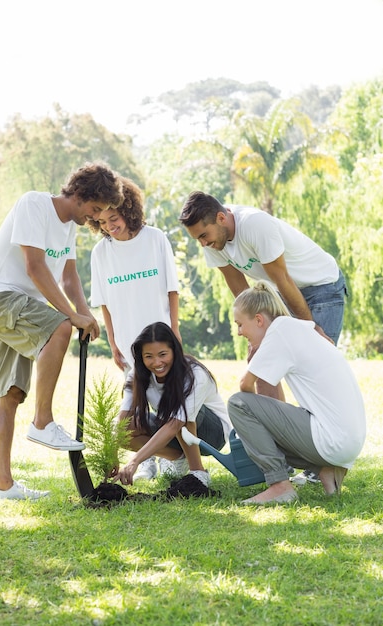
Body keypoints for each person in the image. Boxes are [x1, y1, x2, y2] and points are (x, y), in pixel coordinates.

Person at [0, 161, 123, 500]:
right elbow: (35, 267)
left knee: (10, 392)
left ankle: (2, 485)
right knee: (60, 327)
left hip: (19, 305)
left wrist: (86, 315)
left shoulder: (69, 227)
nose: (96, 219)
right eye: (95, 209)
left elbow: (68, 276)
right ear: (81, 194)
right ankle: (42, 422)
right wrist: (71, 317)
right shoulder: (34, 204)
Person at [179, 190, 347, 484]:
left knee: (312, 376)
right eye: (198, 239)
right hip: (284, 295)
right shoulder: (213, 241)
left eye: (204, 235)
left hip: (321, 288)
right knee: (265, 371)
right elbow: (242, 294)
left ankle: (328, 461)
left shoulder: (255, 225)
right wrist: (254, 338)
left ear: (221, 217)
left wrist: (309, 327)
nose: (203, 243)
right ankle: (286, 461)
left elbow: (282, 277)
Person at [226, 280, 366, 504]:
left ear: (259, 320)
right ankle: (328, 470)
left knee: (238, 403)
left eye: (240, 324)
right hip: (348, 444)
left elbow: (245, 387)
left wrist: (253, 361)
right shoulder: (296, 329)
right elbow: (272, 403)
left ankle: (280, 486)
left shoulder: (280, 330)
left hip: (332, 439)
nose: (240, 332)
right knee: (257, 417)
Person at [89, 177, 181, 481]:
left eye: (113, 218)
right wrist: (113, 342)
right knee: (136, 403)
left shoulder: (155, 239)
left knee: (170, 400)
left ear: (128, 209)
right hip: (128, 342)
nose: (108, 226)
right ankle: (149, 461)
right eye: (101, 221)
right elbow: (103, 303)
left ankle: (177, 458)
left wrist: (175, 331)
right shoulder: (101, 253)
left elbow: (172, 290)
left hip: (162, 338)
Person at [112, 322, 232, 487]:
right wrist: (111, 453)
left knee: (176, 411)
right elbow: (122, 418)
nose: (157, 362)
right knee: (128, 427)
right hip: (172, 426)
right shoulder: (137, 376)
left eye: (163, 354)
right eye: (149, 356)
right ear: (141, 357)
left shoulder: (194, 374)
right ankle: (177, 457)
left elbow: (176, 423)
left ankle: (198, 472)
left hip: (212, 434)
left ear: (174, 351)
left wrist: (134, 461)